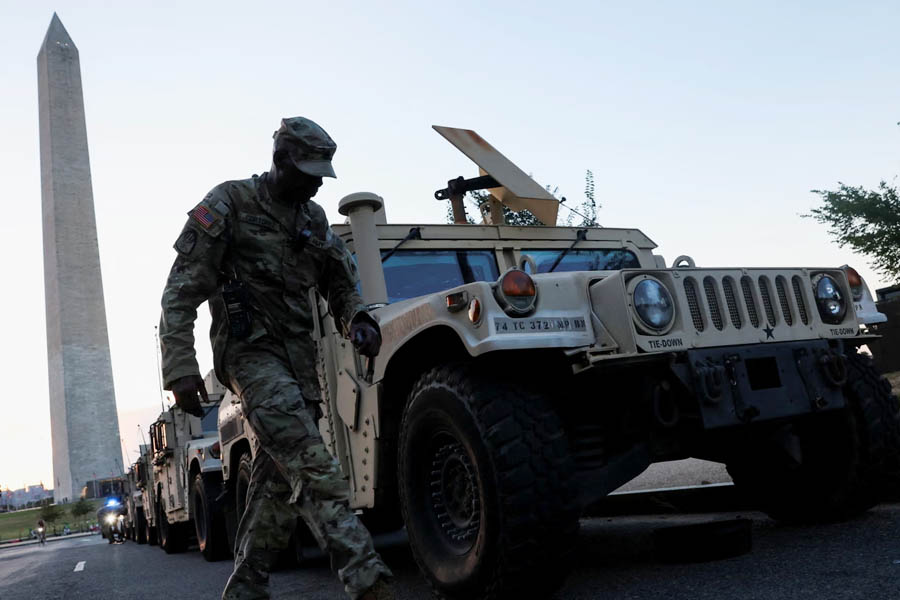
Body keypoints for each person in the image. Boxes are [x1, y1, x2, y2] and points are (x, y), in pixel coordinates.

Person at [158, 117, 393, 600]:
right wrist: (179, 366)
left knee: (274, 487)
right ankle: (370, 583)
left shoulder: (314, 220)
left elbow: (339, 282)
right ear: (281, 159)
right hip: (251, 358)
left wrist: (358, 319)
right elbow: (181, 290)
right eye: (307, 169)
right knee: (314, 466)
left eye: (322, 174)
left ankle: (246, 587)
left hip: (300, 369)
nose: (314, 182)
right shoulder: (230, 203)